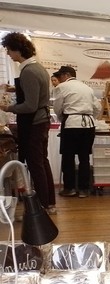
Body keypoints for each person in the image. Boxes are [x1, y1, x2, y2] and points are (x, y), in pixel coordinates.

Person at [0, 32, 56, 213]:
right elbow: (34, 92)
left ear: (17, 50)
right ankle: (49, 202)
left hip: (34, 123)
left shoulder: (29, 71)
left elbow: (30, 106)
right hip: (41, 122)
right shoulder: (37, 68)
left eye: (9, 50)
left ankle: (42, 204)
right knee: (42, 161)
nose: (8, 54)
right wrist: (13, 88)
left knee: (35, 163)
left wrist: (6, 108)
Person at [53, 65, 101, 198]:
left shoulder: (62, 87)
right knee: (84, 157)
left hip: (71, 123)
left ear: (66, 75)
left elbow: (57, 107)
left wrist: (63, 118)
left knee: (68, 157)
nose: (59, 78)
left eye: (60, 76)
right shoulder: (87, 88)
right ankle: (84, 189)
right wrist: (91, 117)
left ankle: (70, 188)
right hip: (88, 124)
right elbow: (97, 107)